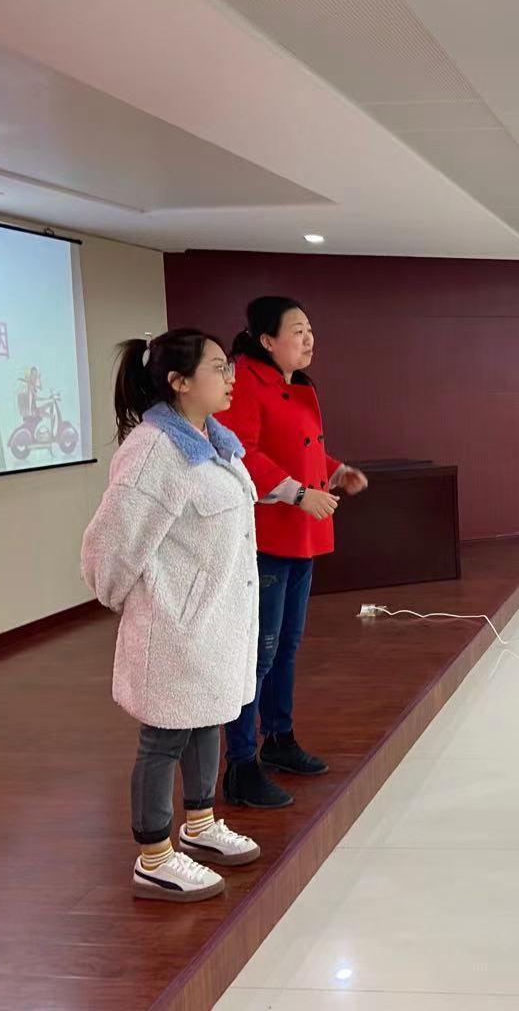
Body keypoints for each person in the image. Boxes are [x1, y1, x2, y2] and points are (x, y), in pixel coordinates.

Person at [81, 329, 261, 902]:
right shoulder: (154, 450)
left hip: (215, 623)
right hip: (176, 625)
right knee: (164, 737)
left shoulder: (217, 443)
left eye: (229, 367)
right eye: (218, 367)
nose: (230, 378)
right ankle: (154, 857)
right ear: (179, 382)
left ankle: (200, 824)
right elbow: (110, 544)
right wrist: (137, 601)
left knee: (208, 718)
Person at [215, 296, 369, 808]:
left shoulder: (295, 384)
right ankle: (241, 764)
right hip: (266, 537)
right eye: (297, 330)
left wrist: (336, 471)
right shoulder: (244, 381)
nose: (308, 339)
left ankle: (279, 739)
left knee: (286, 646)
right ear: (266, 340)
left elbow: (302, 447)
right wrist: (300, 494)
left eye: (310, 329)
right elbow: (242, 453)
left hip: (298, 536)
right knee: (257, 653)